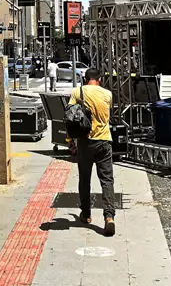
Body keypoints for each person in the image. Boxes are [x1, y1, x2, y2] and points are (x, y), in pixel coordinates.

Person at [67, 73, 116, 237]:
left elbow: (70, 117)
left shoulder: (77, 92)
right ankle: (109, 217)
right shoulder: (108, 94)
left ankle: (86, 214)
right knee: (107, 180)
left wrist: (69, 140)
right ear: (99, 80)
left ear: (85, 79)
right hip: (104, 141)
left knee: (85, 179)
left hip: (85, 142)